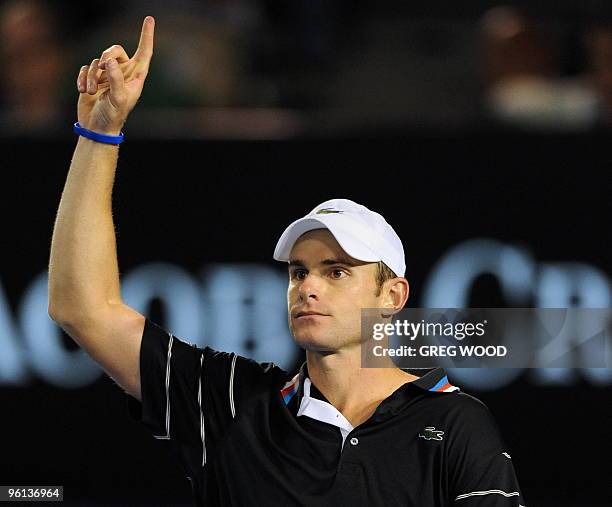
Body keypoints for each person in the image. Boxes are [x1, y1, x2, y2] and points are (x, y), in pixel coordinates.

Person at [48, 16, 526, 506]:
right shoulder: (230, 403)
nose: (308, 288)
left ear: (393, 296)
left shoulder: (455, 422)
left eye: (337, 271)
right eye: (299, 272)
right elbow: (82, 308)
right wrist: (99, 133)